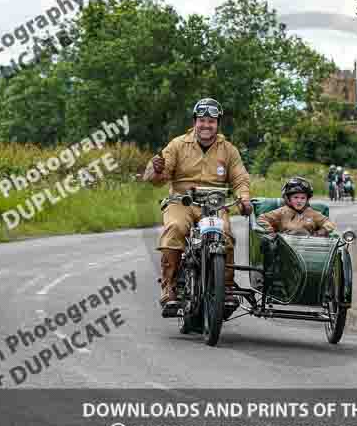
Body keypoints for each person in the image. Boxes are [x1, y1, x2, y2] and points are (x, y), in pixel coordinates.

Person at [143, 98, 252, 313]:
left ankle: (226, 288)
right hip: (182, 201)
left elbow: (240, 179)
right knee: (175, 229)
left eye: (211, 121)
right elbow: (158, 178)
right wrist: (156, 170)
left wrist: (244, 198)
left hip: (214, 203)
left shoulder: (229, 150)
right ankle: (169, 288)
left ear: (217, 124)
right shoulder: (177, 145)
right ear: (195, 122)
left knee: (226, 233)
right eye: (202, 120)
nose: (206, 125)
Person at [257, 177, 337, 236]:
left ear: (307, 199)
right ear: (288, 198)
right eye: (295, 197)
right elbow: (262, 218)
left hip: (309, 247)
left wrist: (320, 232)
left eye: (303, 198)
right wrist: (271, 231)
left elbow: (329, 223)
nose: (299, 201)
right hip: (285, 248)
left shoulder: (312, 213)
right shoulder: (282, 212)